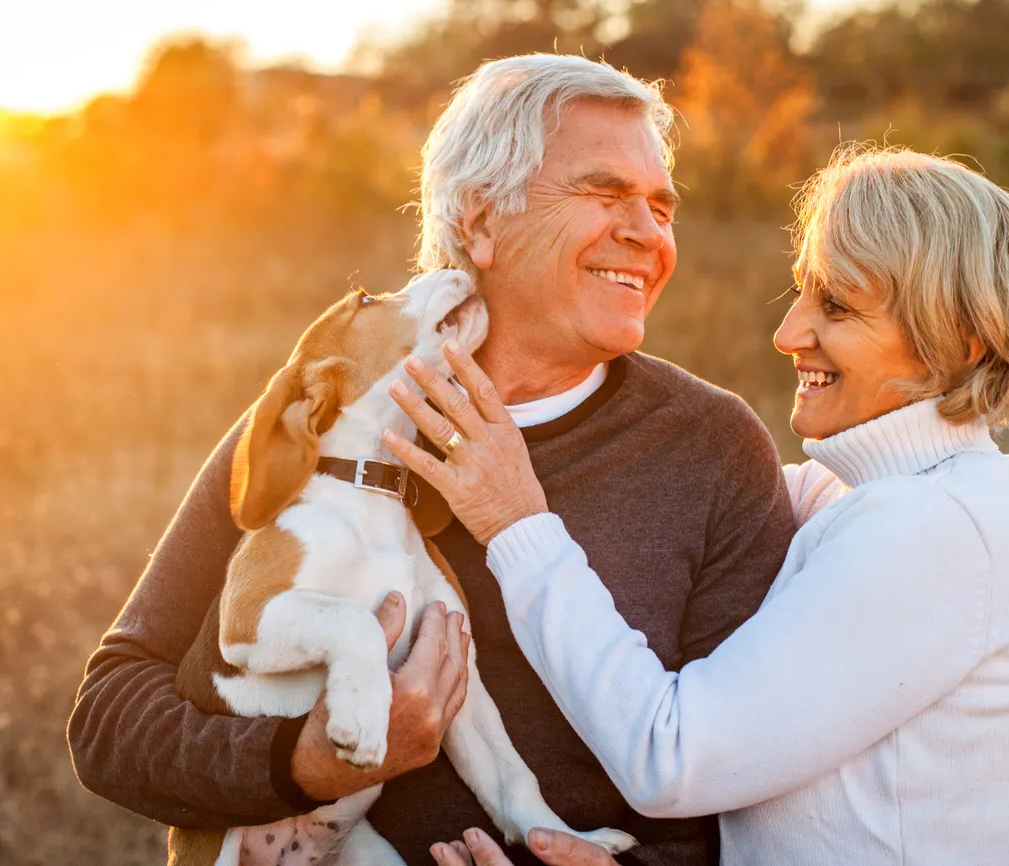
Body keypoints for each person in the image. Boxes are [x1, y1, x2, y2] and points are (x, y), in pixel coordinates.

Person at [66, 55, 797, 865]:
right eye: (603, 194)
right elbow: (108, 718)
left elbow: (755, 786)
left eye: (661, 206)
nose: (647, 233)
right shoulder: (332, 419)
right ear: (480, 223)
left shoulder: (712, 449)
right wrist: (302, 764)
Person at [385, 145, 1009, 866]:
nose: (788, 334)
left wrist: (516, 522)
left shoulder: (934, 531)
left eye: (836, 306)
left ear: (958, 342)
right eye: (802, 292)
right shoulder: (869, 498)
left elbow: (672, 757)